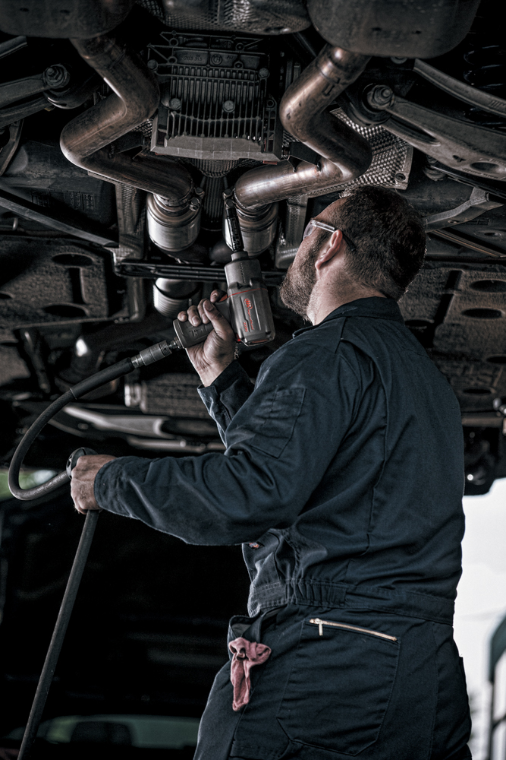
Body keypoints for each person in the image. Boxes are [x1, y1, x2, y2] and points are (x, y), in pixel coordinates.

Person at [71, 185, 472, 760]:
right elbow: (308, 479)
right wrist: (223, 381)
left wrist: (107, 480)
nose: (295, 252)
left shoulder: (328, 349)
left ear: (328, 244)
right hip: (422, 672)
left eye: (307, 232)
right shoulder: (423, 379)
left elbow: (250, 497)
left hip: (329, 662)